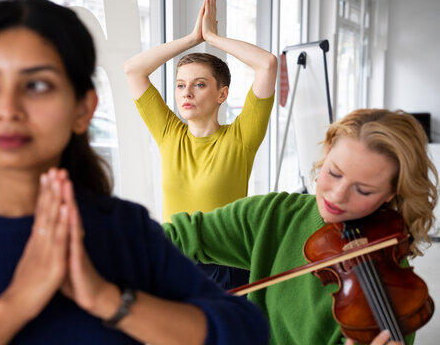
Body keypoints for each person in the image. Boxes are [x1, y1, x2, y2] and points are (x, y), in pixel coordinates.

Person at [0, 0, 270, 344]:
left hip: (222, 262)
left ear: (83, 109)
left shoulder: (128, 232)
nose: (7, 108)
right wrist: (15, 303)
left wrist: (108, 299)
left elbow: (244, 331)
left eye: (37, 85)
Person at [163, 108, 438, 345]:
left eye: (363, 190)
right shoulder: (274, 215)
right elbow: (176, 237)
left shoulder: (397, 294)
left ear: (391, 193)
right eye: (334, 173)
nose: (337, 195)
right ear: (327, 152)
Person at [124, 0, 277, 290]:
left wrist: (214, 38)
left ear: (222, 94)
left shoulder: (241, 138)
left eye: (199, 84)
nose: (186, 93)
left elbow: (268, 64)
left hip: (228, 266)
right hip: (174, 260)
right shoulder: (169, 134)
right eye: (180, 85)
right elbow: (133, 69)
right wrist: (193, 38)